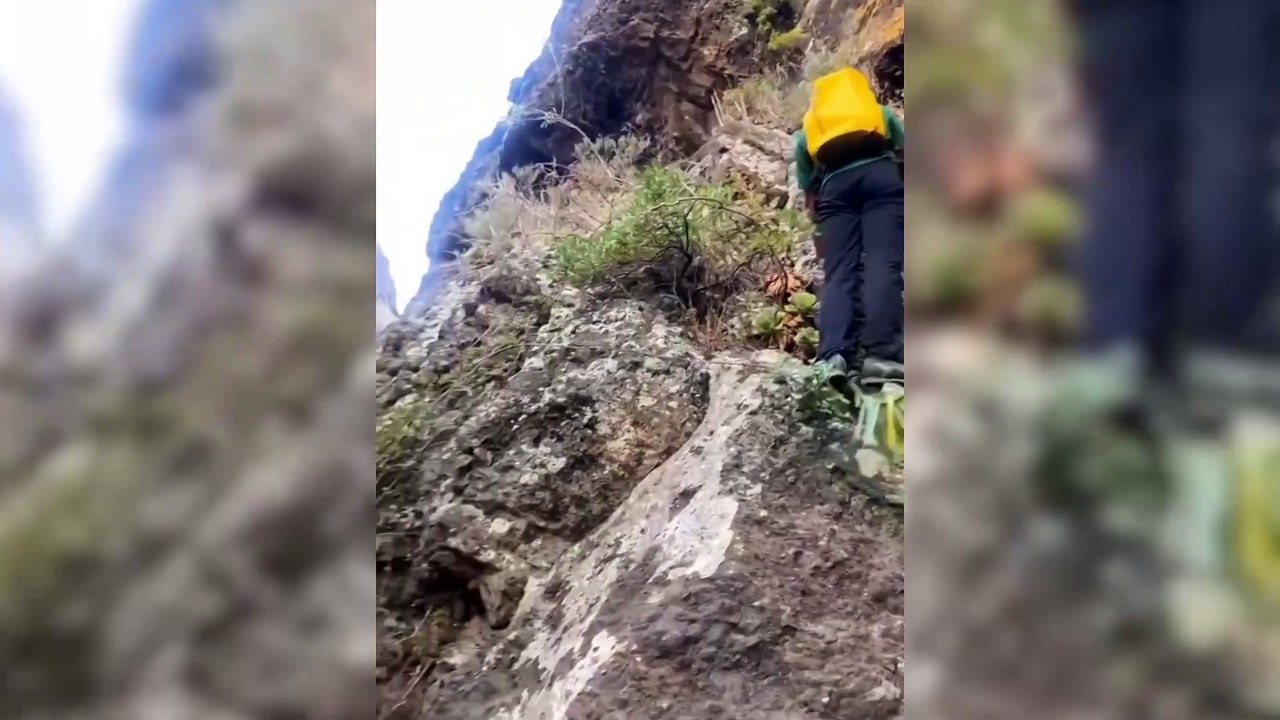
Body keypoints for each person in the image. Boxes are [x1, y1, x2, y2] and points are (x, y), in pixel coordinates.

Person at [793, 67, 905, 392]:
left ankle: (833, 357)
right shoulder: (879, 115)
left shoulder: (809, 131)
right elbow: (904, 153)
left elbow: (810, 198)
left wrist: (822, 235)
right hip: (881, 180)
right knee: (883, 264)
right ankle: (883, 358)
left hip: (834, 190)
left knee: (839, 274)